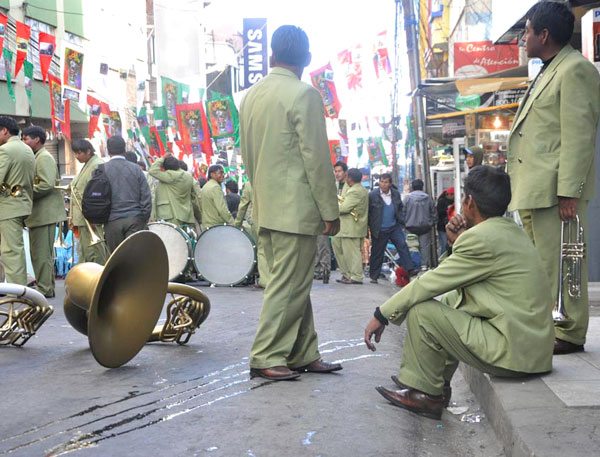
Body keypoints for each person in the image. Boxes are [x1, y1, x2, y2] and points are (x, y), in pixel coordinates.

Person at [364, 166, 554, 420]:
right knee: (452, 299)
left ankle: (426, 395)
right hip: (532, 350)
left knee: (423, 311)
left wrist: (382, 314)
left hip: (513, 353)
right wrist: (456, 243)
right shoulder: (511, 232)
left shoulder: (480, 238)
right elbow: (453, 278)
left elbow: (429, 283)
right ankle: (435, 383)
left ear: (470, 202)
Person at [240, 24, 342, 381]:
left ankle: (303, 352)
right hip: (295, 209)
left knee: (291, 284)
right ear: (307, 58)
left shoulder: (251, 96)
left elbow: (248, 155)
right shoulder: (304, 95)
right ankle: (266, 355)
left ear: (271, 55)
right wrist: (330, 210)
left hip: (266, 206)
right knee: (289, 286)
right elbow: (317, 158)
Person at [507, 1, 600, 355]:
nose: (524, 37)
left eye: (528, 31)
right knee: (544, 266)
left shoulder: (575, 69)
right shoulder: (549, 70)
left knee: (565, 261)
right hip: (533, 188)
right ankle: (551, 324)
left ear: (544, 35)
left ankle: (570, 332)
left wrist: (569, 192)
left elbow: (579, 136)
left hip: (555, 190)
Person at [21, 126, 67, 297]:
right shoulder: (37, 156)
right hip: (39, 215)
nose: (24, 142)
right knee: (39, 253)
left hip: (44, 215)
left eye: (26, 139)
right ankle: (46, 286)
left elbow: (46, 184)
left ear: (37, 140)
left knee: (41, 254)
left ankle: (45, 288)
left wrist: (23, 193)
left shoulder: (44, 157)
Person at [0, 116, 35, 285]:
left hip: (8, 207)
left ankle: (17, 292)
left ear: (4, 131)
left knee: (11, 252)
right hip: (20, 204)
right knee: (12, 250)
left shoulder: (5, 150)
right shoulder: (26, 148)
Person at [103, 135, 152, 252]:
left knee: (116, 258)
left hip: (111, 222)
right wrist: (143, 218)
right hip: (135, 219)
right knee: (135, 256)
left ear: (108, 150)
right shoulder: (136, 169)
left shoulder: (101, 170)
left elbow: (97, 198)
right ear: (124, 149)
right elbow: (146, 196)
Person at [368, 173, 414, 284]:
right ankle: (374, 276)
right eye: (382, 182)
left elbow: (400, 208)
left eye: (386, 182)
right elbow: (368, 212)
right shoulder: (372, 195)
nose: (383, 184)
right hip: (379, 229)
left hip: (394, 227)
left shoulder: (395, 194)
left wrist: (402, 220)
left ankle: (410, 269)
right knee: (377, 252)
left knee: (402, 245)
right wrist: (369, 227)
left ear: (390, 183)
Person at [69, 139, 108, 265]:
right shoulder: (88, 164)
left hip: (90, 217)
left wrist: (92, 217)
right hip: (83, 216)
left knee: (94, 252)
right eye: (75, 153)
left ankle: (97, 276)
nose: (76, 156)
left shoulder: (96, 165)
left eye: (79, 153)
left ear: (88, 151)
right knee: (86, 251)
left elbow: (97, 194)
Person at [333, 168, 369, 284]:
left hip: (352, 227)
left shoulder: (355, 191)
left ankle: (356, 276)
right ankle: (347, 275)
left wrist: (331, 207)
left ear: (350, 178)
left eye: (346, 176)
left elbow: (344, 208)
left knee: (352, 253)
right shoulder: (358, 189)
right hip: (347, 227)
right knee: (342, 251)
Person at [149, 155, 200, 229]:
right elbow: (194, 197)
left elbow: (152, 170)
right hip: (187, 215)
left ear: (165, 168)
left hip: (172, 216)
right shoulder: (188, 176)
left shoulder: (170, 176)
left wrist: (163, 158)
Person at [234, 181, 269, 288]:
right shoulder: (272, 179)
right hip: (275, 219)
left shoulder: (250, 184)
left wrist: (237, 223)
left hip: (258, 220)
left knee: (262, 250)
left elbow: (243, 206)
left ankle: (265, 280)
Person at [403, 179, 436, 268]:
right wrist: (432, 223)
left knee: (411, 247)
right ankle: (424, 265)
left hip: (410, 227)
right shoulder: (428, 198)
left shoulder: (407, 198)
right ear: (422, 187)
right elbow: (433, 212)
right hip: (425, 227)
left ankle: (412, 266)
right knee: (424, 248)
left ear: (412, 187)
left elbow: (402, 212)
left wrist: (404, 223)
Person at [200, 164, 233, 230]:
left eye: (223, 173)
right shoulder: (215, 187)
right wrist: (232, 222)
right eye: (220, 173)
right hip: (216, 226)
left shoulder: (205, 186)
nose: (223, 175)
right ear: (212, 174)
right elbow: (222, 209)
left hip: (207, 226)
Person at [436, 187, 454, 256]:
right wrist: (448, 209)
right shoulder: (442, 201)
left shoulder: (453, 201)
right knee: (444, 245)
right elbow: (439, 212)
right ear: (449, 194)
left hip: (447, 226)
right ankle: (443, 259)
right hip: (443, 226)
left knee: (445, 245)